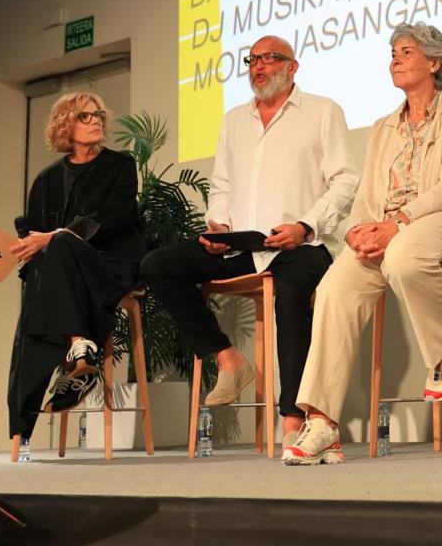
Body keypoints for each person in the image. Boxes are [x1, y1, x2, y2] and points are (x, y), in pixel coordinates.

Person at [283, 22, 442, 464]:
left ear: (434, 63)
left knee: (405, 252)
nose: (394, 58)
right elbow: (366, 197)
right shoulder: (383, 127)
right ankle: (322, 422)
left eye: (407, 51)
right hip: (390, 232)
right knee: (333, 287)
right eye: (393, 51)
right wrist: (358, 229)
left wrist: (398, 222)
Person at [140, 35, 358, 447]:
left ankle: (294, 419)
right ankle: (227, 358)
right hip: (244, 246)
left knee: (292, 293)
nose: (259, 66)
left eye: (270, 59)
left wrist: (306, 226)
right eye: (252, 59)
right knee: (158, 265)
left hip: (300, 246)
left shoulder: (322, 111)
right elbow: (221, 184)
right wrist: (220, 226)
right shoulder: (234, 119)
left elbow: (345, 180)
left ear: (293, 67)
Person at [7, 92, 145, 445]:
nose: (97, 119)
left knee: (63, 244)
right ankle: (79, 346)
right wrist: (28, 245)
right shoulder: (46, 179)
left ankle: (76, 352)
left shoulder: (120, 165)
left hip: (108, 268)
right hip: (62, 279)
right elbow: (32, 233)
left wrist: (52, 237)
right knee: (39, 282)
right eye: (86, 116)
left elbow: (115, 219)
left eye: (99, 113)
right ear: (66, 124)